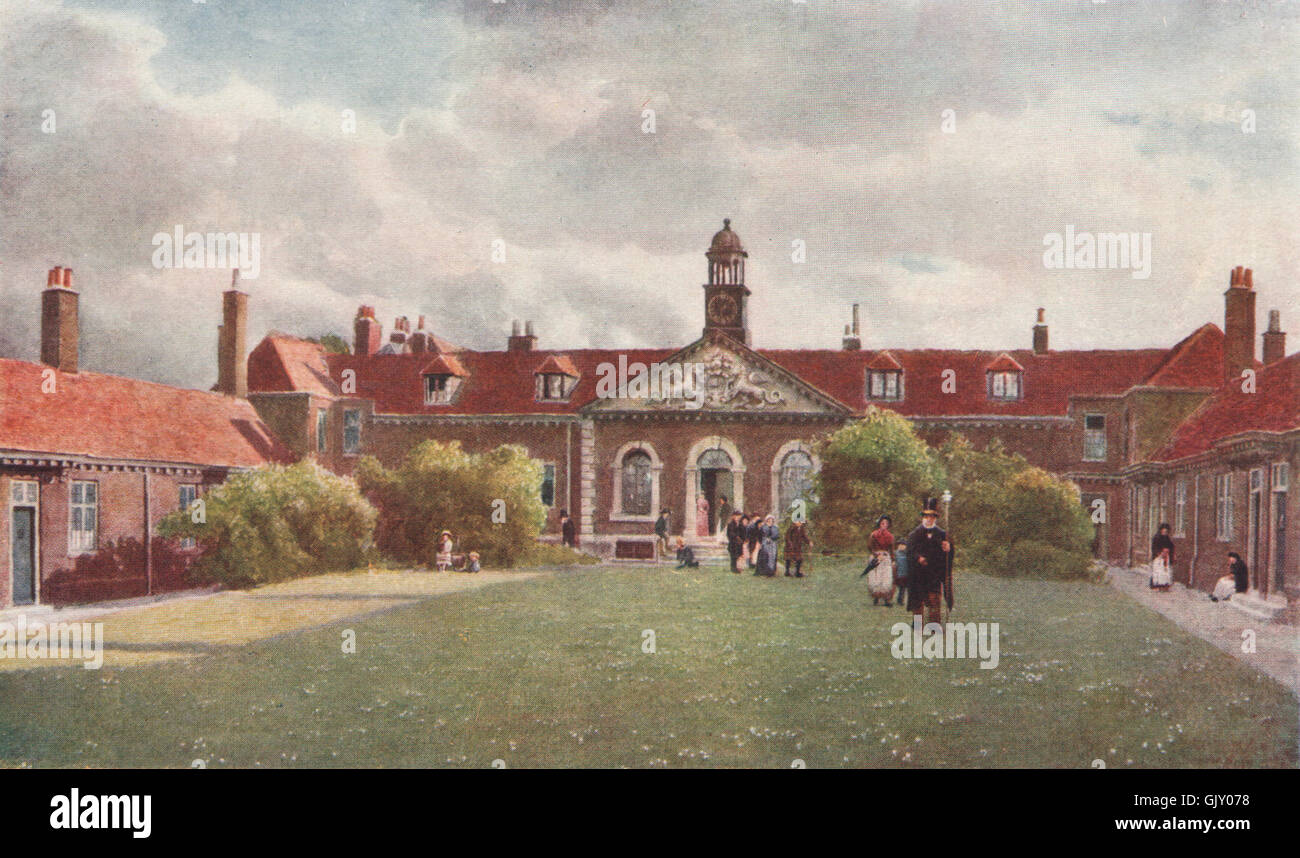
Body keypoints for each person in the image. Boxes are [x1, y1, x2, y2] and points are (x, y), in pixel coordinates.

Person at [905, 498, 953, 626]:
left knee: (935, 601)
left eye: (931, 516)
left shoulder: (942, 534)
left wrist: (948, 549)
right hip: (918, 575)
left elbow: (948, 556)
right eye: (926, 516)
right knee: (917, 602)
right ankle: (917, 625)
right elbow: (909, 552)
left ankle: (935, 626)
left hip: (934, 575)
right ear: (923, 517)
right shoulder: (914, 534)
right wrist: (918, 558)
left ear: (935, 518)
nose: (929, 519)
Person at [866, 515, 896, 606]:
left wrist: (892, 559)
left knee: (886, 578)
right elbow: (869, 546)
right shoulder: (874, 534)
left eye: (886, 523)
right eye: (883, 523)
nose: (884, 525)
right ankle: (876, 597)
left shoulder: (890, 536)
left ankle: (887, 599)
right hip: (876, 557)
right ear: (879, 524)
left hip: (885, 557)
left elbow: (891, 548)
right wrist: (875, 554)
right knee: (876, 577)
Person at [1150, 523, 1174, 590]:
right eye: (1163, 531)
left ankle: (1165, 584)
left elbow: (1171, 546)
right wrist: (1159, 553)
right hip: (1158, 557)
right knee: (1158, 570)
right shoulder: (1156, 537)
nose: (1164, 532)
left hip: (1166, 556)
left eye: (1166, 531)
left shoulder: (1167, 538)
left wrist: (1168, 552)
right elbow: (1154, 547)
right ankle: (1157, 584)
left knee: (1165, 570)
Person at [893, 543, 910, 610]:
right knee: (898, 587)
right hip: (898, 573)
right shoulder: (895, 553)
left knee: (904, 588)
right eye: (900, 545)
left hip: (906, 574)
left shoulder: (908, 553)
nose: (901, 546)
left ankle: (901, 600)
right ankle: (889, 598)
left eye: (903, 545)